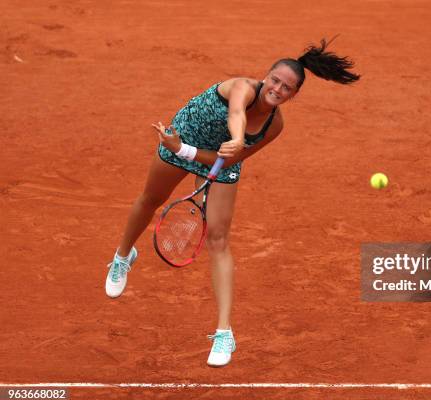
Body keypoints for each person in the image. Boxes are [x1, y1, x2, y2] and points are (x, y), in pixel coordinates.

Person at [104, 38, 360, 367]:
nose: (278, 89)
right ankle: (123, 255)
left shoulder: (274, 125)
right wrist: (200, 145)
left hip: (218, 159)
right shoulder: (242, 87)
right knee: (151, 198)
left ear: (293, 96)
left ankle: (224, 332)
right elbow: (237, 114)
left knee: (219, 239)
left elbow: (227, 160)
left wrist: (230, 150)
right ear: (265, 77)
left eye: (287, 88)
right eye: (275, 81)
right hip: (182, 137)